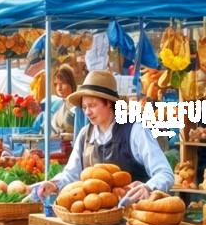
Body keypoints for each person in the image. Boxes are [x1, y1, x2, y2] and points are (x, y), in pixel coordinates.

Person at [35, 70, 173, 202]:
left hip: (134, 215)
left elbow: (164, 173)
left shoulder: (135, 130)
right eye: (84, 107)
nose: (87, 112)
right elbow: (71, 175)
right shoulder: (85, 136)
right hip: (95, 219)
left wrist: (148, 187)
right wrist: (54, 184)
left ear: (109, 104)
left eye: (92, 105)